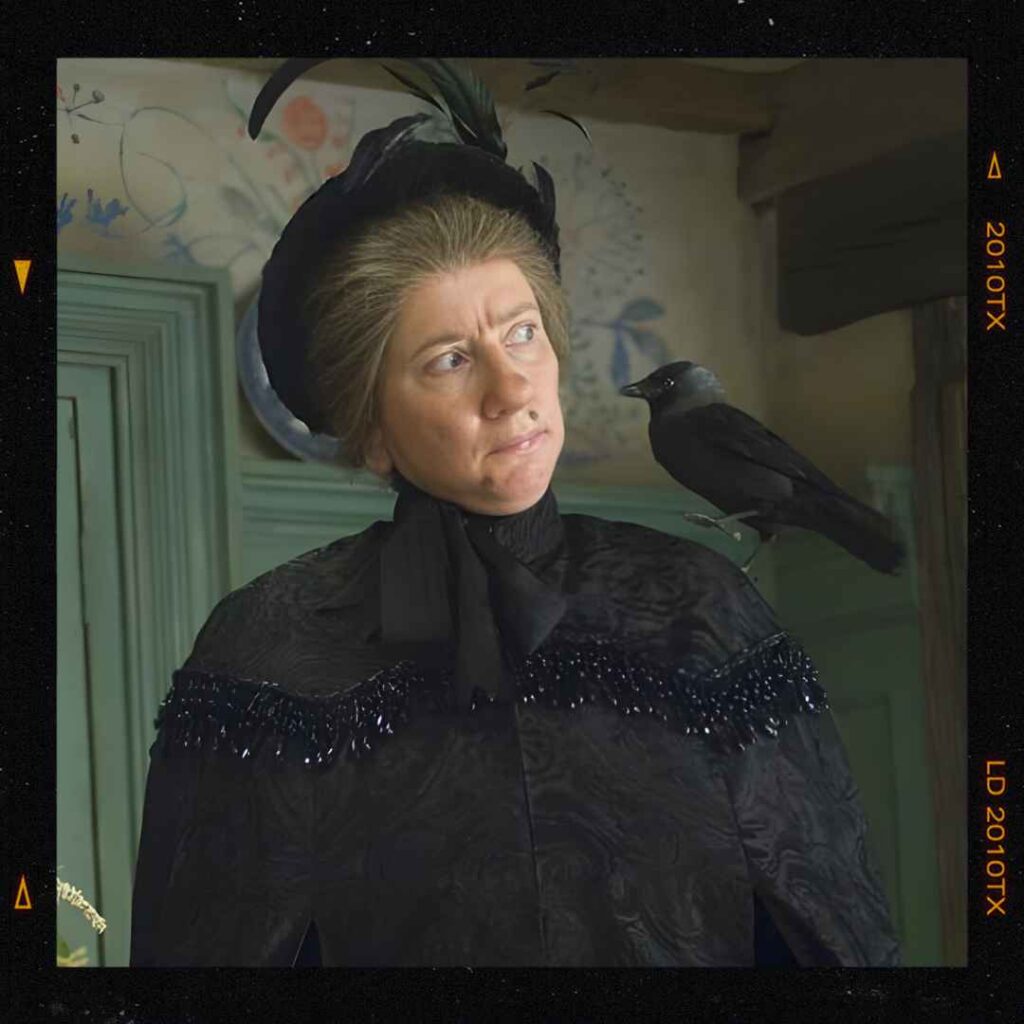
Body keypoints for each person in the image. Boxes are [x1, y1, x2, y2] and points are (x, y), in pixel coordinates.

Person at [129, 59, 900, 967]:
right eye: (450, 360)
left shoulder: (703, 604)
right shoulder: (267, 643)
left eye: (523, 332)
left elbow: (830, 936)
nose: (513, 390)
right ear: (373, 432)